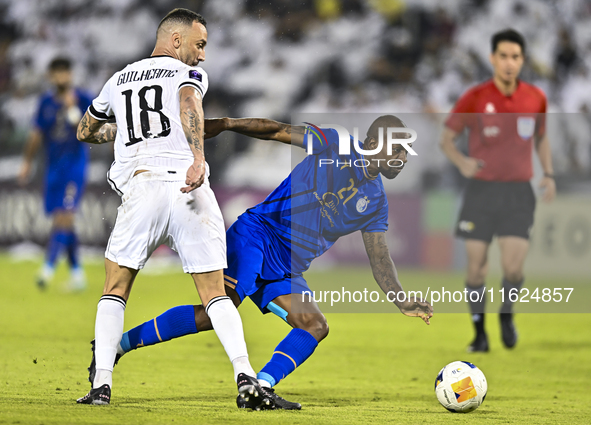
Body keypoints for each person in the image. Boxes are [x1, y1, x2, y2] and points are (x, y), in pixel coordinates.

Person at [86, 115, 434, 410]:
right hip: (257, 236)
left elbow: (379, 256)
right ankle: (115, 346)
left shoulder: (376, 201)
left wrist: (400, 298)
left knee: (314, 325)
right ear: (375, 141)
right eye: (399, 148)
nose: (403, 157)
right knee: (216, 312)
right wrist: (226, 124)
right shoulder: (335, 145)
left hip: (286, 267)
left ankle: (260, 387)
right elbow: (278, 131)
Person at [74, 8, 269, 407]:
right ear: (176, 40)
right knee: (215, 293)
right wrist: (198, 156)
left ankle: (101, 386)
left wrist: (120, 131)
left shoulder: (118, 79)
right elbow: (188, 105)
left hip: (143, 190)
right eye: (199, 45)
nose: (201, 55)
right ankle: (246, 377)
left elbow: (85, 130)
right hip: (188, 186)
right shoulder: (187, 75)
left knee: (115, 288)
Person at [440, 29, 555, 353]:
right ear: (492, 58)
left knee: (513, 267)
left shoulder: (535, 98)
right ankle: (479, 333)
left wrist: (548, 172)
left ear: (523, 60)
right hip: (481, 193)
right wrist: (462, 162)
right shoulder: (475, 97)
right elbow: (447, 138)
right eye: (503, 56)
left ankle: (506, 314)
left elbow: (542, 137)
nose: (509, 63)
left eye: (515, 57)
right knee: (476, 267)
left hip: (519, 193)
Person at [18, 57, 93, 291]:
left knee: (65, 215)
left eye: (65, 72)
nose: (61, 77)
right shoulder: (45, 103)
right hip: (53, 169)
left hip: (75, 167)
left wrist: (72, 108)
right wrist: (27, 162)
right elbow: (36, 134)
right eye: (57, 73)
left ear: (70, 74)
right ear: (51, 76)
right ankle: (77, 274)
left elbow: (89, 130)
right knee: (62, 221)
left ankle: (47, 269)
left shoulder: (82, 99)